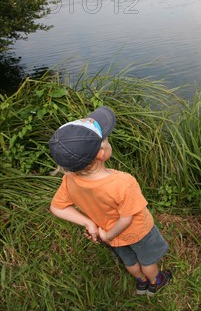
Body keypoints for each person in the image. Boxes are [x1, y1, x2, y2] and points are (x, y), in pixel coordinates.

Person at [48, 106, 172, 296]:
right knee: (147, 261)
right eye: (105, 139)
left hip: (112, 235)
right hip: (139, 231)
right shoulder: (123, 181)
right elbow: (126, 219)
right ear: (101, 153)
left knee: (130, 261)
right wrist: (107, 235)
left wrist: (89, 223)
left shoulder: (69, 180)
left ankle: (140, 283)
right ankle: (155, 282)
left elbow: (57, 207)